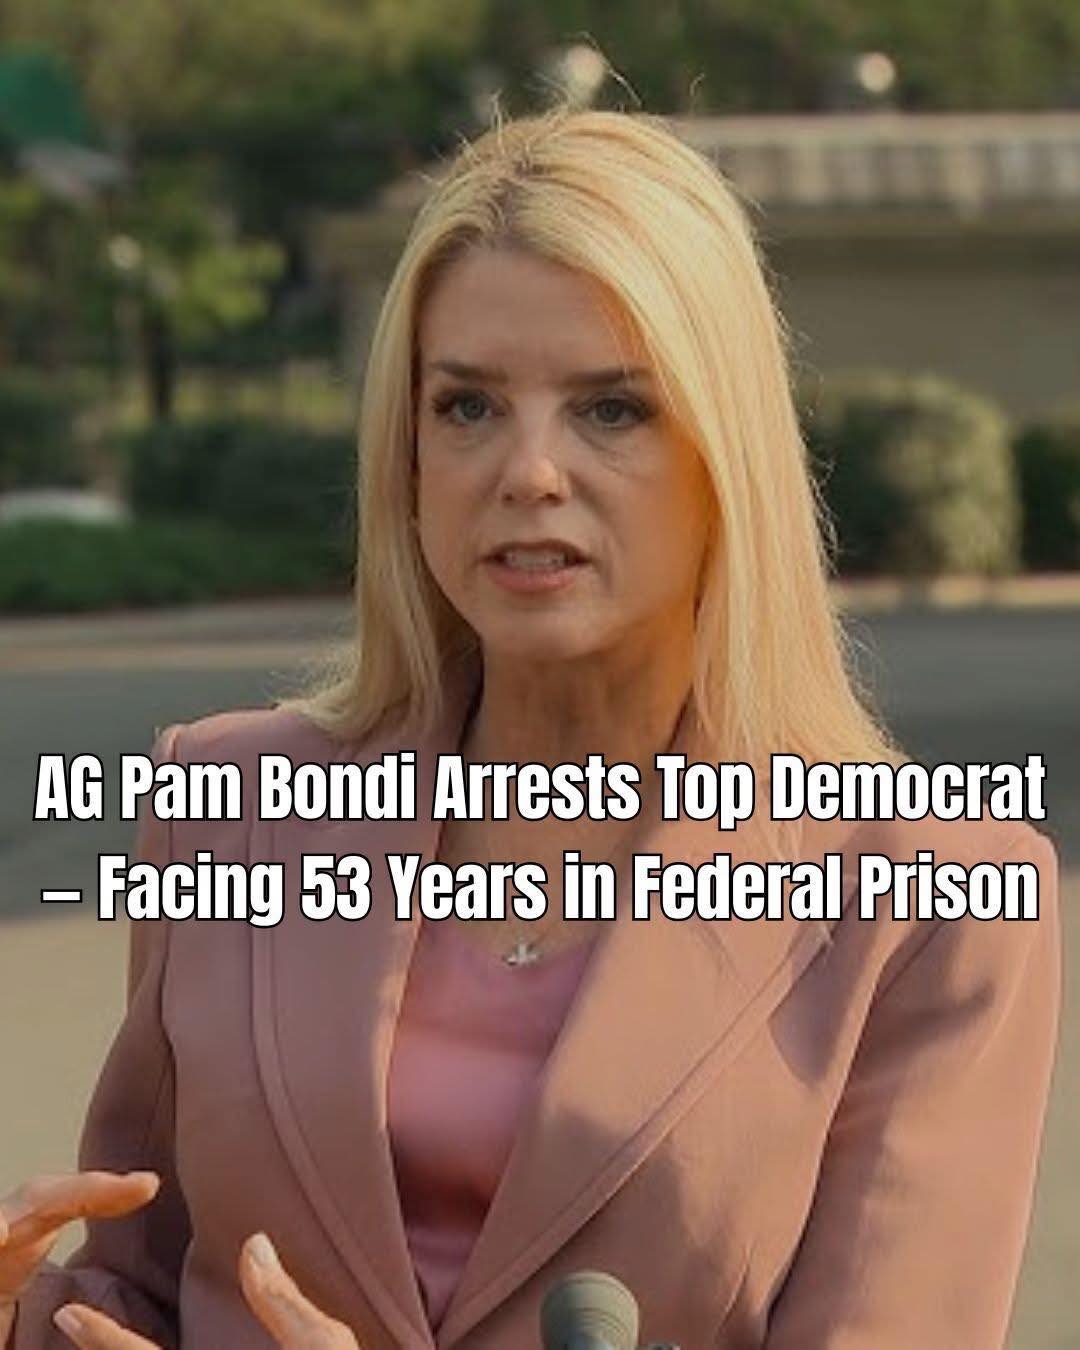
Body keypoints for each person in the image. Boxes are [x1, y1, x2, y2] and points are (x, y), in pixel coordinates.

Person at [1, 106, 1061, 1349]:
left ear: (727, 452)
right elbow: (139, 1286)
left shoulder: (933, 903)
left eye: (610, 410)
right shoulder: (225, 807)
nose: (530, 472)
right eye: (467, 407)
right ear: (406, 454)